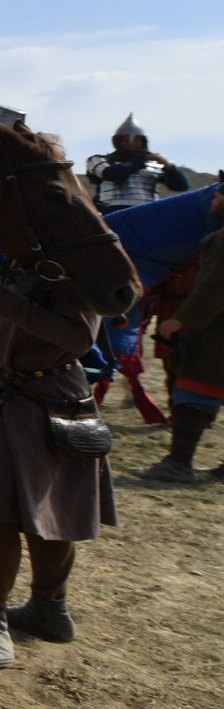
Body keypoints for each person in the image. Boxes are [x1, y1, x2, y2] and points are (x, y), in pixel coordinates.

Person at [0, 259, 112, 669]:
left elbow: (77, 338)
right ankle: (34, 610)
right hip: (10, 395)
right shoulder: (23, 259)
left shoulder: (80, 262)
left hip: (55, 401)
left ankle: (13, 612)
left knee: (51, 511)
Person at [139, 178, 224, 482]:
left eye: (219, 195)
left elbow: (214, 288)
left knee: (194, 393)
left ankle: (178, 463)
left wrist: (181, 320)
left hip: (216, 335)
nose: (213, 199)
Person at [85, 114, 188, 214]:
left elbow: (181, 186)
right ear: (118, 141)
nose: (131, 142)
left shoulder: (153, 164)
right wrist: (141, 160)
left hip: (149, 214)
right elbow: (111, 174)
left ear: (143, 141)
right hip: (113, 214)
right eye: (126, 139)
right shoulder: (98, 160)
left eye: (136, 139)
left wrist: (169, 168)